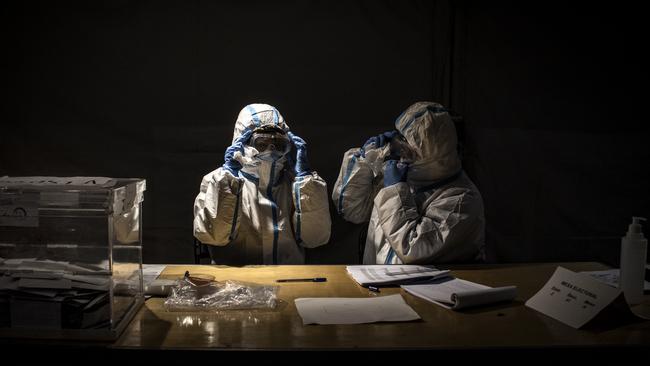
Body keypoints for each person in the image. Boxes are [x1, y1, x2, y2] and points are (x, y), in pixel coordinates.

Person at [332, 102, 485, 264]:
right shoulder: (403, 175)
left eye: (406, 140)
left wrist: (394, 191)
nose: (398, 143)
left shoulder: (462, 200)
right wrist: (364, 161)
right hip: (379, 283)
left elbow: (412, 249)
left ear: (432, 152)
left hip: (423, 288)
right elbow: (351, 210)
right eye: (400, 135)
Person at [193, 103, 331, 264]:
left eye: (279, 144)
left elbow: (315, 238)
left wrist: (307, 183)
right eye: (261, 144)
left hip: (289, 278)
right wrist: (227, 183)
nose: (270, 151)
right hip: (235, 282)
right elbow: (213, 236)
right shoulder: (217, 181)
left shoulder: (299, 186)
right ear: (243, 143)